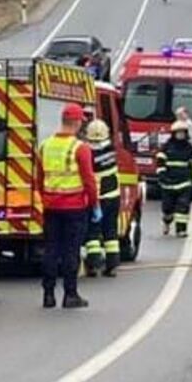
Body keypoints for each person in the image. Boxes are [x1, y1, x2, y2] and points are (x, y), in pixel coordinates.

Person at [36, 103, 99, 309]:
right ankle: (70, 295)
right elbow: (88, 180)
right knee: (71, 251)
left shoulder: (45, 146)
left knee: (51, 250)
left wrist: (44, 198)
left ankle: (48, 295)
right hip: (74, 208)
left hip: (51, 206)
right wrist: (94, 204)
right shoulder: (80, 148)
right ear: (78, 122)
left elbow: (39, 177)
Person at [83, 119, 122, 278]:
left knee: (92, 234)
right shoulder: (111, 150)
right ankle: (112, 266)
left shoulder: (89, 154)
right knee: (110, 232)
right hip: (113, 196)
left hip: (96, 198)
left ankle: (93, 265)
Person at [156, 120, 192, 238]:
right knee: (167, 208)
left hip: (184, 183)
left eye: (182, 133)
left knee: (183, 206)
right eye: (178, 133)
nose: (180, 135)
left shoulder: (189, 148)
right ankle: (167, 221)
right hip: (168, 183)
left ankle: (181, 230)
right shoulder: (166, 147)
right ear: (173, 133)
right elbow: (160, 163)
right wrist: (161, 176)